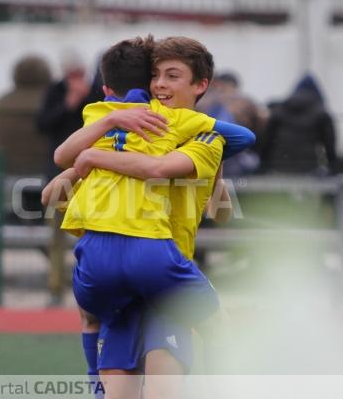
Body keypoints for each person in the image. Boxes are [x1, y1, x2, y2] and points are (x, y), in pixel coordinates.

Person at [52, 36, 254, 397]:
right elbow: (53, 192)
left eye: (172, 76)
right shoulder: (136, 127)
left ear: (200, 85)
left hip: (163, 265)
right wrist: (78, 170)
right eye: (156, 75)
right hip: (147, 264)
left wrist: (93, 159)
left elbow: (218, 210)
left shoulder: (204, 138)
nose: (160, 84)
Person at [37, 49, 104, 305]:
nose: (74, 78)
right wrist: (67, 104)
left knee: (90, 236)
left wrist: (83, 99)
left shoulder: (96, 92)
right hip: (59, 176)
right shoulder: (55, 91)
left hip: (90, 175)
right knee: (56, 236)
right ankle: (56, 288)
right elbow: (43, 124)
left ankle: (88, 288)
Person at [260, 73, 337, 175]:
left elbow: (266, 140)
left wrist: (263, 165)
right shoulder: (322, 113)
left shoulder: (279, 111)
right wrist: (333, 168)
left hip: (278, 165)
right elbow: (329, 144)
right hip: (308, 167)